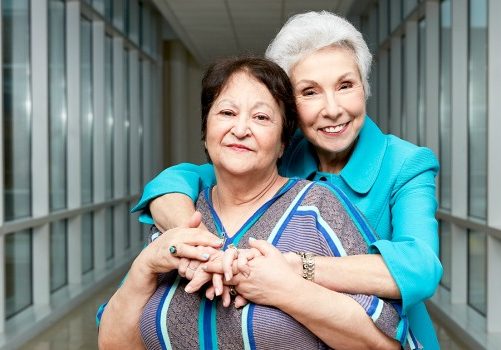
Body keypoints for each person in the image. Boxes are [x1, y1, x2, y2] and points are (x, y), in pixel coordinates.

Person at [133, 11, 442, 349]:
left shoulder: (405, 163)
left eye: (345, 85)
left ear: (364, 88)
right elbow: (180, 178)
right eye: (310, 92)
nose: (333, 109)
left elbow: (421, 267)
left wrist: (300, 268)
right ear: (290, 108)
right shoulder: (282, 152)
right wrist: (194, 241)